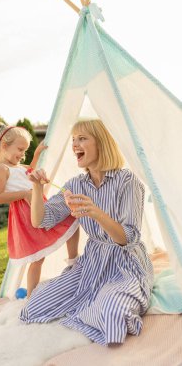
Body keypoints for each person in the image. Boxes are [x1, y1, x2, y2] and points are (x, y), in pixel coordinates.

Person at [20, 118, 154, 346]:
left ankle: (99, 302)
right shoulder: (76, 184)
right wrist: (36, 187)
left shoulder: (127, 181)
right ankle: (89, 304)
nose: (74, 145)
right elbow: (40, 220)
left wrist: (96, 212)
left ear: (101, 143)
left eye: (82, 138)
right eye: (73, 140)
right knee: (34, 306)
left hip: (125, 264)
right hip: (91, 263)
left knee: (113, 312)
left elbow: (128, 238)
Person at [0, 121, 79, 297]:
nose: (22, 154)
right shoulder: (1, 169)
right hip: (26, 215)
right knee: (37, 258)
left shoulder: (17, 167)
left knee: (70, 219)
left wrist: (37, 153)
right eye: (20, 150)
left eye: (24, 151)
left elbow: (30, 170)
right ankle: (30, 297)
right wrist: (25, 194)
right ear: (4, 146)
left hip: (39, 207)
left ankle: (73, 261)